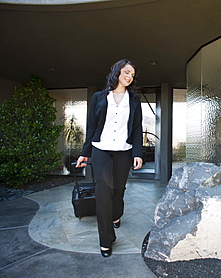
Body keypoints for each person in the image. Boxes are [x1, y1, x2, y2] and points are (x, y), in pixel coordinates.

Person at [76, 59, 143, 258]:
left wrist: (137, 153)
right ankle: (106, 239)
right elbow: (91, 127)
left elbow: (138, 128)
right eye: (127, 72)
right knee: (103, 193)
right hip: (101, 150)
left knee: (118, 190)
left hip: (124, 151)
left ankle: (116, 215)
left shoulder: (134, 100)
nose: (130, 77)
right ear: (117, 72)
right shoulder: (99, 97)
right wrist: (84, 152)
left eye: (132, 75)